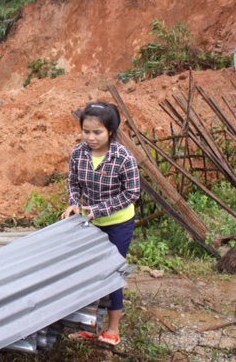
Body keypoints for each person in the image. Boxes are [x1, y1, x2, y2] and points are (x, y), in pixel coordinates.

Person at [62, 101, 140, 346]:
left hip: (118, 223)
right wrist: (74, 203)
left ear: (111, 131)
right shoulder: (79, 153)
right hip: (89, 222)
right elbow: (73, 183)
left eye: (97, 132)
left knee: (111, 272)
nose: (91, 137)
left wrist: (98, 209)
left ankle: (113, 328)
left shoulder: (123, 158)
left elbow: (132, 193)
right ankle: (89, 324)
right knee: (88, 273)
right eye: (86, 131)